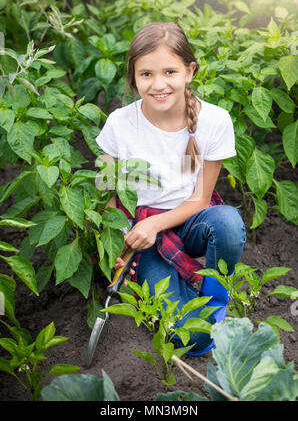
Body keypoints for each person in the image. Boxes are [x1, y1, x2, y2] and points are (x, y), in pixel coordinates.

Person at [95, 22, 246, 354]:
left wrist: (152, 223)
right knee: (191, 338)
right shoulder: (119, 124)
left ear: (189, 72)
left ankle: (214, 297)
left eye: (170, 72)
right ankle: (180, 291)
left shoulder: (215, 121)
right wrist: (122, 246)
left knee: (228, 223)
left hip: (188, 222)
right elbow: (105, 197)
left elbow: (200, 200)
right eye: (146, 74)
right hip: (141, 237)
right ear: (133, 77)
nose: (158, 84)